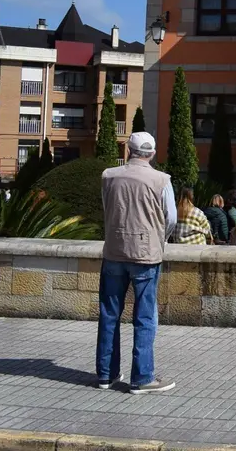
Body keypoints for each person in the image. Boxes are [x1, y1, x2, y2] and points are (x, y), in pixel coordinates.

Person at [96, 131, 177, 394]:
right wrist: (158, 238)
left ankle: (106, 374)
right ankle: (141, 377)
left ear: (128, 150)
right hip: (146, 253)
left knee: (109, 313)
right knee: (144, 316)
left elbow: (107, 208)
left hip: (115, 251)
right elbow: (171, 218)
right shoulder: (161, 180)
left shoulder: (109, 176)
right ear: (152, 153)